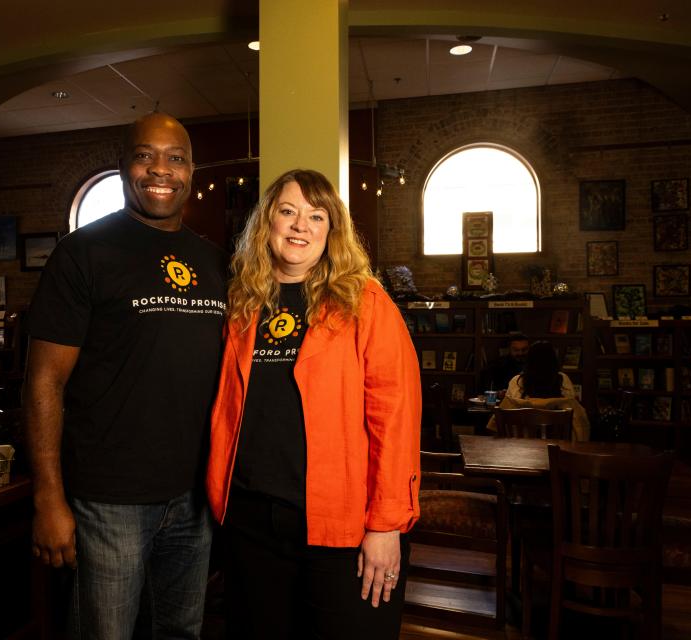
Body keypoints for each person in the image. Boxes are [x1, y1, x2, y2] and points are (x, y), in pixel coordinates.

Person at [23, 112, 228, 639]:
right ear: (123, 167)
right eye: (145, 155)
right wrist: (48, 497)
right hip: (108, 500)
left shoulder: (214, 262)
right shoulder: (83, 253)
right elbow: (43, 381)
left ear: (192, 171)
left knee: (181, 632)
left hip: (195, 498)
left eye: (176, 158)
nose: (161, 170)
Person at [205, 169, 421, 640]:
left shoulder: (365, 302)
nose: (300, 226)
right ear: (267, 224)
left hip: (340, 527)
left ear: (332, 231)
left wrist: (386, 527)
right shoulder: (244, 304)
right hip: (251, 522)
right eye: (287, 212)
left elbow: (395, 416)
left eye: (316, 216)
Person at [490, 341, 590, 441]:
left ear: (529, 360)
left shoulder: (516, 381)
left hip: (521, 445)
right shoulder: (563, 380)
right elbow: (572, 406)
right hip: (558, 445)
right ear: (553, 360)